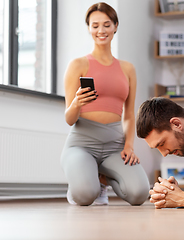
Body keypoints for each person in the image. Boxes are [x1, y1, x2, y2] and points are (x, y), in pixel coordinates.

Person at [60, 2, 149, 206]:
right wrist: (76, 103)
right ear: (89, 28)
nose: (101, 30)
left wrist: (129, 145)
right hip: (82, 143)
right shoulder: (77, 65)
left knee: (139, 194)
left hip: (114, 145)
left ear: (116, 26)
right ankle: (87, 180)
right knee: (84, 196)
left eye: (107, 24)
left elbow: (128, 114)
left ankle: (103, 177)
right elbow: (69, 119)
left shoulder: (128, 69)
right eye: (95, 25)